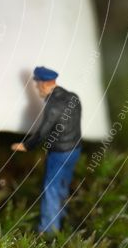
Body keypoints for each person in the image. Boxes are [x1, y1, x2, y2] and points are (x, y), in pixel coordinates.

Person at [11, 66, 82, 233]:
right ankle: (62, 214)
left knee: (51, 187)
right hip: (75, 149)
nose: (36, 89)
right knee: (63, 183)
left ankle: (49, 230)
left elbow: (43, 131)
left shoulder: (53, 105)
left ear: (43, 84)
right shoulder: (73, 97)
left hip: (59, 153)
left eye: (37, 86)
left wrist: (26, 145)